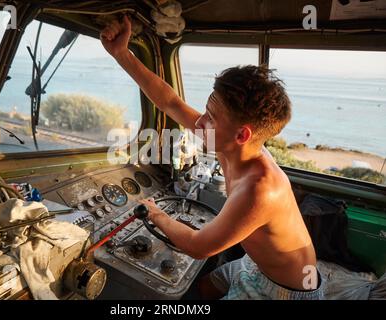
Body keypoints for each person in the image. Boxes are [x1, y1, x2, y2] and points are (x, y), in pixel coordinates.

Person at [100, 15, 323, 299]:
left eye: (211, 118)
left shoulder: (260, 189)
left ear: (242, 135)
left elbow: (198, 246)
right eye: (207, 110)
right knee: (201, 288)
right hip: (254, 265)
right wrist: (122, 53)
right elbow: (170, 102)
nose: (200, 121)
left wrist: (154, 213)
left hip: (284, 290)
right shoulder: (234, 143)